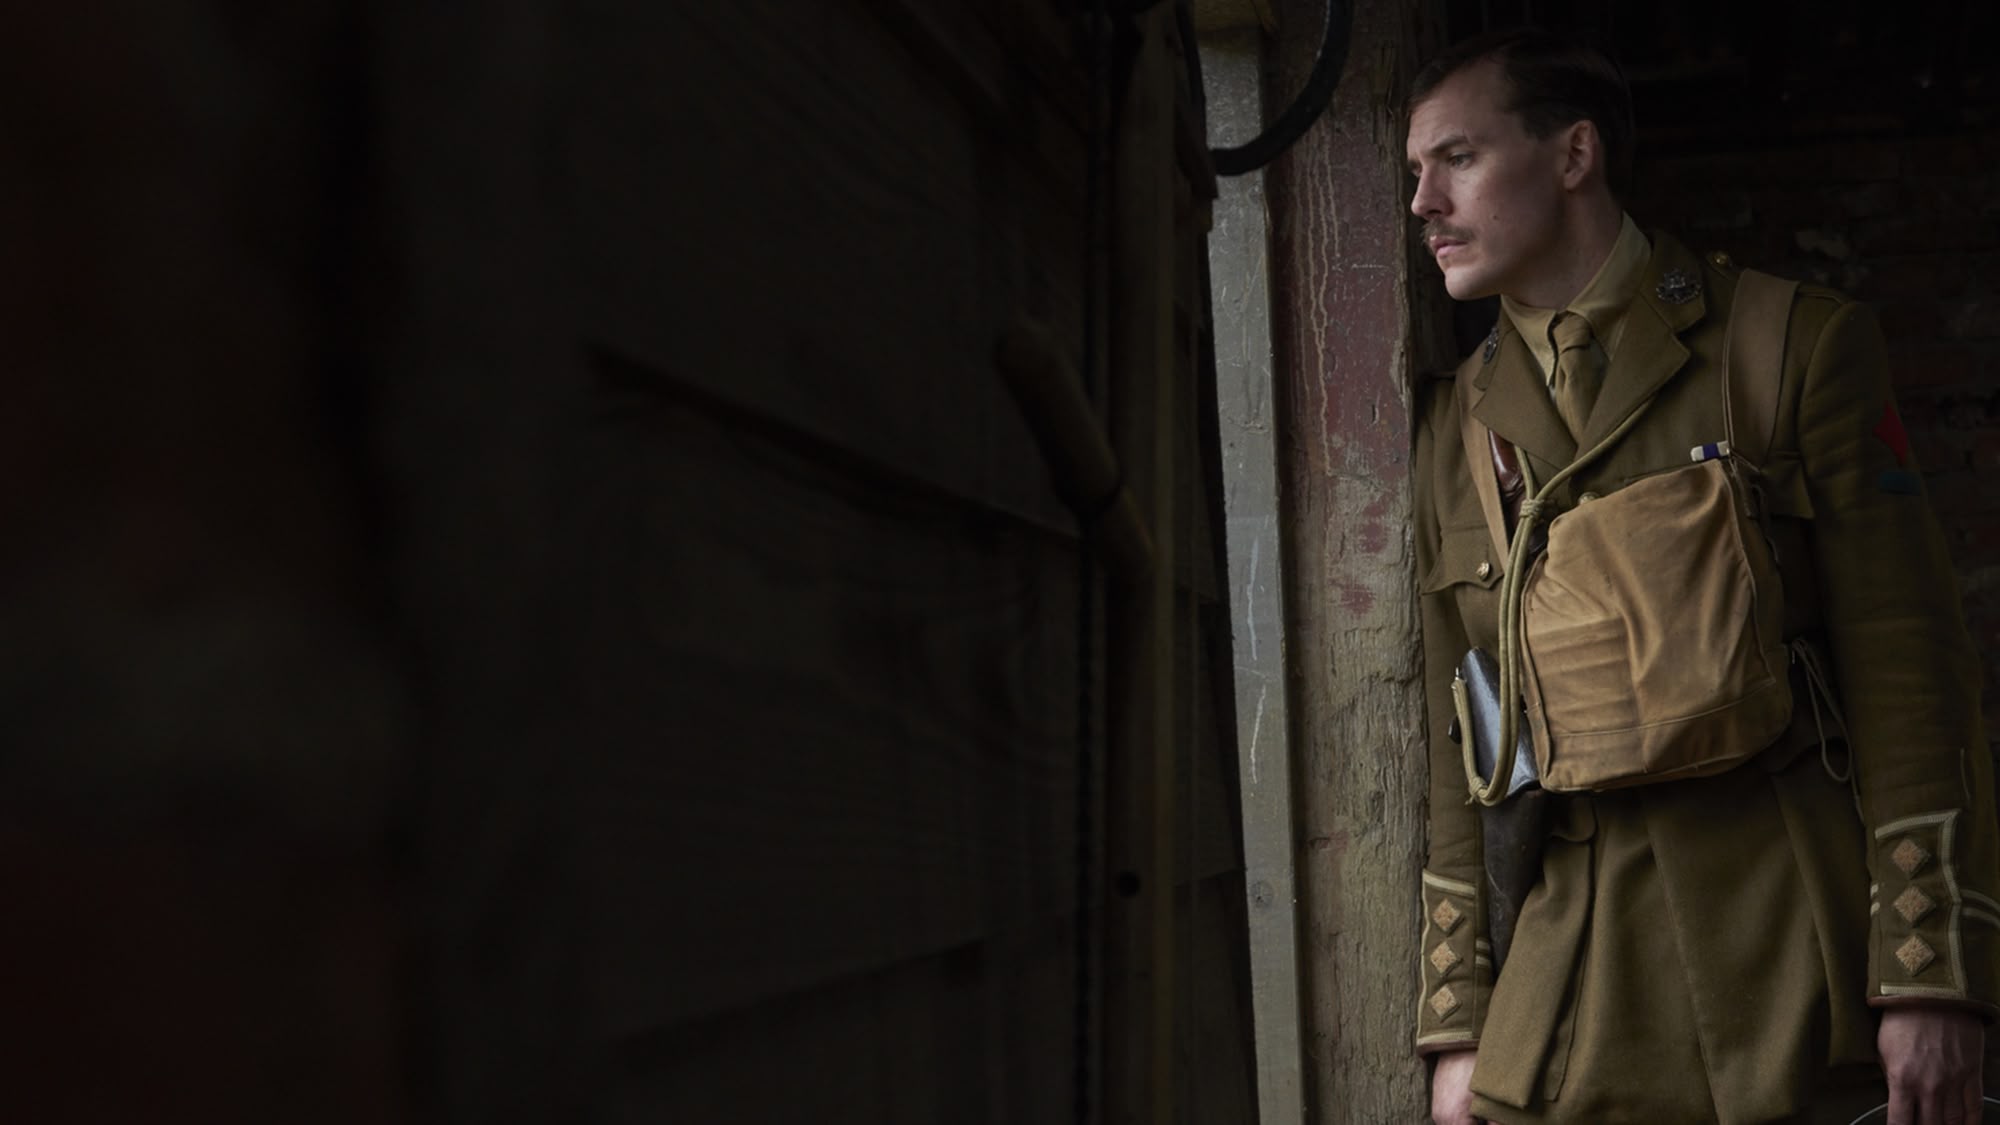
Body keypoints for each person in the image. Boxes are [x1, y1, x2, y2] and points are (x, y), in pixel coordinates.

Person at [1403, 28, 2000, 1125]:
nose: (1423, 204)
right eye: (1414, 172)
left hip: (1797, 959)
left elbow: (1909, 674)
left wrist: (1929, 974)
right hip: (1569, 996)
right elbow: (1463, 741)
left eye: (1458, 158)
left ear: (1574, 154)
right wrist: (1459, 1022)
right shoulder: (1453, 429)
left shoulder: (1788, 346)